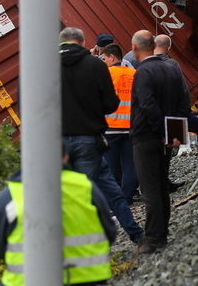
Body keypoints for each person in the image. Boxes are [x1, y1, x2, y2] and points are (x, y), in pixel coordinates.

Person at [0, 145, 118, 286]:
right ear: (65, 157)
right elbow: (110, 233)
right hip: (88, 278)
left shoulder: (11, 195)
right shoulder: (85, 187)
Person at [60, 27, 144, 243]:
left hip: (58, 143)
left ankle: (135, 235)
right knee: (108, 193)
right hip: (90, 138)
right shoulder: (95, 65)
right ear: (83, 42)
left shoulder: (42, 67)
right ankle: (133, 237)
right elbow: (110, 104)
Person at [130, 30, 190, 254]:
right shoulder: (171, 68)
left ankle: (154, 239)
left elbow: (147, 106)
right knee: (162, 185)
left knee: (150, 188)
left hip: (147, 136)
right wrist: (176, 134)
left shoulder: (142, 72)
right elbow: (183, 102)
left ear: (135, 49)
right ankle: (162, 233)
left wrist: (162, 132)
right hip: (167, 138)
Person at [153, 34, 198, 169]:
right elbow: (182, 89)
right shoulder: (171, 64)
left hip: (156, 115)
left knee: (167, 145)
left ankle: (161, 179)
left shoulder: (145, 66)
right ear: (168, 47)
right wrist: (187, 107)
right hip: (175, 113)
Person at [100, 43, 138, 202]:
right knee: (131, 165)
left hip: (110, 128)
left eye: (103, 58)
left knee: (111, 166)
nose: (102, 62)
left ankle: (116, 200)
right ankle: (128, 196)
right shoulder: (135, 73)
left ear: (112, 57)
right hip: (131, 127)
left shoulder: (105, 75)